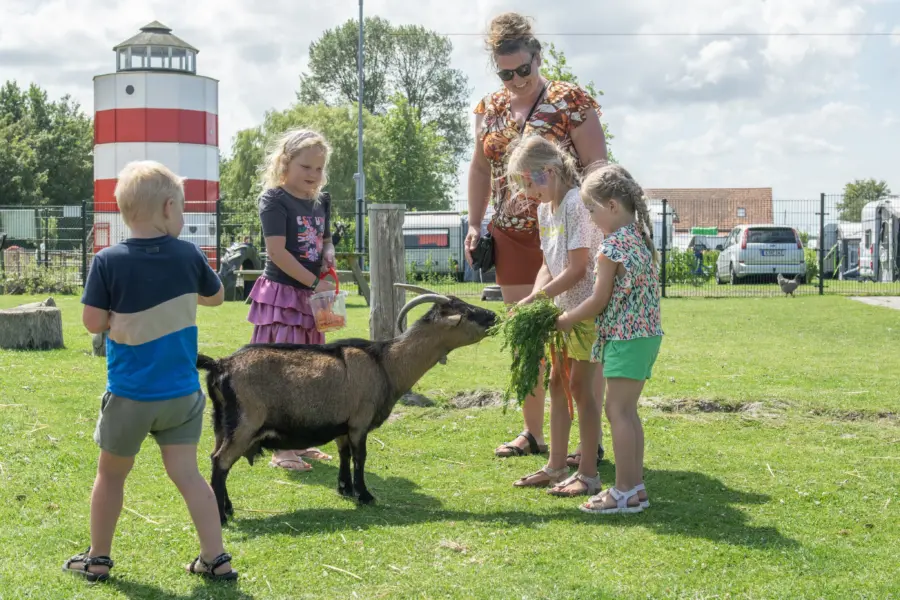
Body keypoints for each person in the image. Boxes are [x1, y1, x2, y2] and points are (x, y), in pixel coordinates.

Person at [63, 161, 237, 582]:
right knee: (188, 475)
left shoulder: (109, 261)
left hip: (130, 395)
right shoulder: (189, 254)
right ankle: (216, 558)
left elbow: (90, 322)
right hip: (180, 394)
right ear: (167, 207)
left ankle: (99, 558)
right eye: (182, 210)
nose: (183, 218)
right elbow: (216, 297)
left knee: (110, 475)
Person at [464, 11, 609, 464]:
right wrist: (474, 222)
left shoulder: (570, 100)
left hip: (568, 236)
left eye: (523, 70)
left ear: (537, 56)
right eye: (505, 73)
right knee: (527, 334)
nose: (515, 80)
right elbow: (479, 168)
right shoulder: (488, 109)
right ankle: (532, 433)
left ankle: (586, 440)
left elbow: (598, 168)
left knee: (572, 338)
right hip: (511, 237)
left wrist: (598, 225)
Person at [556, 164, 664, 514]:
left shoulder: (612, 247)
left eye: (592, 210)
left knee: (616, 411)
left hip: (625, 337)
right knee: (628, 412)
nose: (590, 219)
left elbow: (598, 300)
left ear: (612, 206)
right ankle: (635, 489)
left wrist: (567, 319)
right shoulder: (639, 238)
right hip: (646, 337)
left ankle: (621, 491)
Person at [506, 135, 605, 497]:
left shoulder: (577, 204)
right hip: (562, 311)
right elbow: (550, 265)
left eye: (527, 182)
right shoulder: (544, 210)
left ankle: (589, 473)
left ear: (548, 171)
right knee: (558, 385)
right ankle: (556, 466)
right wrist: (534, 298)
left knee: (581, 388)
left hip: (586, 308)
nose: (526, 191)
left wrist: (538, 297)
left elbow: (579, 268)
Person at [247, 128, 337, 472]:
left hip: (314, 298)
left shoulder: (320, 200)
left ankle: (300, 440)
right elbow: (277, 252)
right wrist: (314, 282)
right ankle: (280, 449)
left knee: (310, 373)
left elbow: (325, 239)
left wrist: (328, 254)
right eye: (306, 167)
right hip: (283, 297)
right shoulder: (274, 199)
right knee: (282, 374)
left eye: (319, 168)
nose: (313, 176)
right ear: (285, 163)